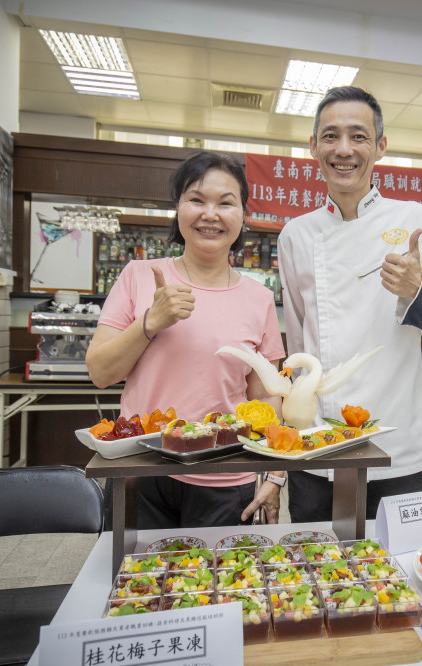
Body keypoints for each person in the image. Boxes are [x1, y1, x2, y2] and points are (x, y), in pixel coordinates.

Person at [278, 86, 422, 522]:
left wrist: (418, 288)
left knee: (400, 576)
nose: (344, 149)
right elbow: (297, 342)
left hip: (397, 440)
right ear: (313, 147)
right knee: (315, 571)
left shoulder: (414, 218)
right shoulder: (296, 235)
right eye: (331, 136)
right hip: (316, 444)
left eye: (358, 136)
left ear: (380, 146)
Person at [86, 151, 287, 528]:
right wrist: (150, 321)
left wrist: (274, 474)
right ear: (178, 209)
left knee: (220, 584)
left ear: (242, 216)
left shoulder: (259, 298)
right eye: (196, 200)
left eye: (226, 203)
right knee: (136, 583)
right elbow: (99, 372)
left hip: (226, 476)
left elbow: (266, 399)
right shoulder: (139, 275)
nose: (210, 214)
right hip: (141, 467)